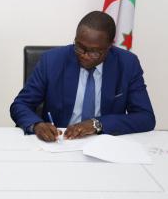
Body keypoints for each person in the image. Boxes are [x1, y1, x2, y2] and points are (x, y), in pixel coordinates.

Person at [10, 11, 155, 142]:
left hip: (105, 143)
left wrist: (97, 124)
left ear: (110, 46)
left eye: (94, 52)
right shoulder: (52, 61)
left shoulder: (127, 64)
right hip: (60, 143)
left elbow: (145, 117)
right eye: (79, 47)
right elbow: (20, 105)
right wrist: (37, 125)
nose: (84, 56)